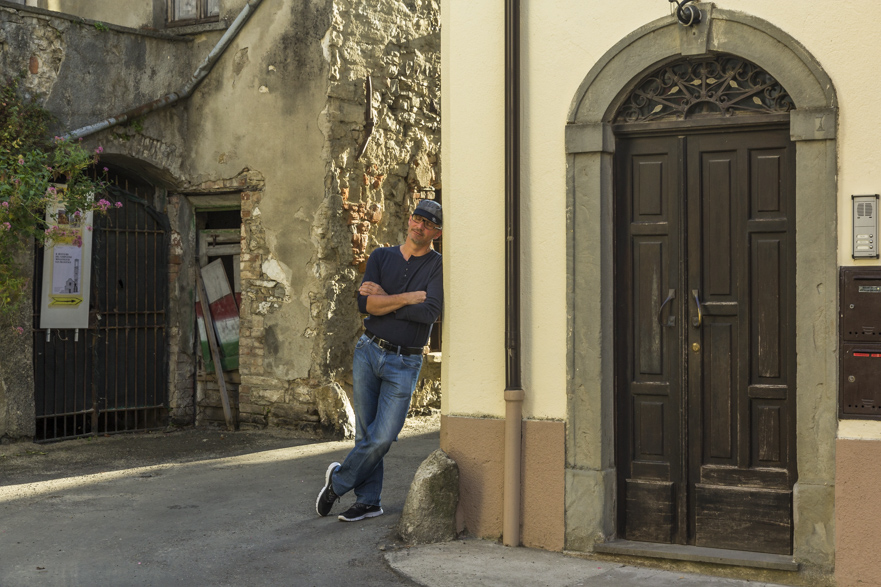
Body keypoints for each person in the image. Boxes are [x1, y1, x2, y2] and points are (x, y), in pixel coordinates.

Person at [316, 198, 443, 522]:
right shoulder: (380, 256)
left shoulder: (437, 266)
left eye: (427, 224)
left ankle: (338, 483)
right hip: (368, 351)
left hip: (405, 362)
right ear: (409, 219)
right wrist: (405, 299)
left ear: (436, 233)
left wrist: (384, 299)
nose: (419, 226)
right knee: (365, 434)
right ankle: (369, 500)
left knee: (383, 436)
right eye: (417, 219)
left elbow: (430, 312)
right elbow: (364, 305)